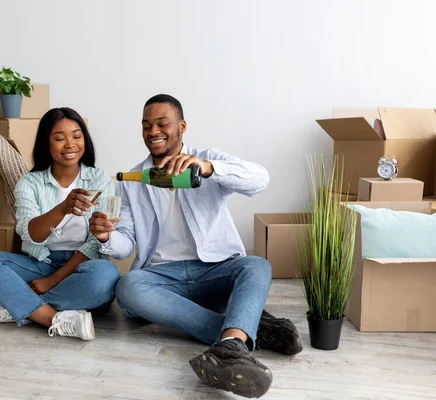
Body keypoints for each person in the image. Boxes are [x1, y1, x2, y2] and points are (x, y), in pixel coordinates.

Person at [89, 94, 302, 398]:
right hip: (163, 278)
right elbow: (124, 245)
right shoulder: (131, 180)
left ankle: (235, 336)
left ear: (182, 126)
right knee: (128, 287)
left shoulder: (205, 160)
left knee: (257, 265)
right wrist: (106, 237)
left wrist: (209, 168)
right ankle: (238, 335)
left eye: (162, 123)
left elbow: (260, 179)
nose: (153, 132)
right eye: (146, 126)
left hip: (214, 271)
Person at [0, 107, 120, 341]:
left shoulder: (99, 178)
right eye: (60, 138)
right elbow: (31, 235)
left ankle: (13, 308)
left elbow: (94, 244)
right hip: (40, 263)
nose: (70, 144)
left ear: (85, 140)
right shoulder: (29, 183)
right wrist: (62, 208)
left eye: (77, 136)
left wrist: (52, 281)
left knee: (106, 276)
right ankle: (53, 318)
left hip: (81, 267)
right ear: (46, 143)